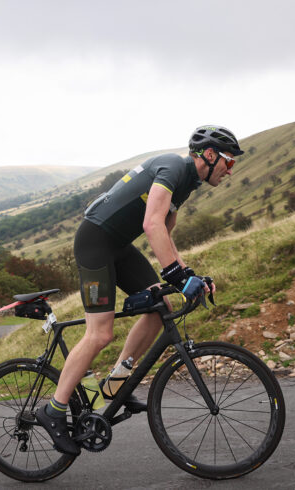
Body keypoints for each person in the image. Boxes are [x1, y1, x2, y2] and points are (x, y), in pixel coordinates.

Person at [36, 125, 243, 455]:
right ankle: (54, 410)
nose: (229, 171)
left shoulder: (187, 183)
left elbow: (166, 237)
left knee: (159, 312)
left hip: (118, 246)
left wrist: (191, 275)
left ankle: (114, 385)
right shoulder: (174, 168)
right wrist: (176, 276)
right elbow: (151, 224)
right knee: (100, 333)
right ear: (209, 155)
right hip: (95, 242)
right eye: (228, 163)